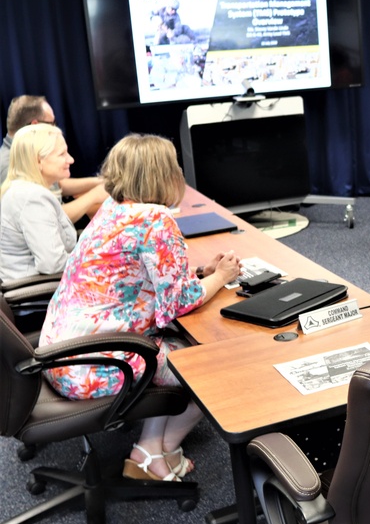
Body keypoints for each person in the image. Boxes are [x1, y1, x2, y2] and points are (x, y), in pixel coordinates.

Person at [38, 134, 241, 481]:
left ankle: (149, 449)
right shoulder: (155, 220)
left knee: (168, 344)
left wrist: (196, 275)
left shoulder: (112, 210)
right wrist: (221, 276)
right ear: (166, 174)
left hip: (58, 354)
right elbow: (177, 303)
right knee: (208, 363)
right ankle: (158, 451)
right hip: (94, 365)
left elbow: (134, 278)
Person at [1, 95, 107, 223]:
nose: (71, 160)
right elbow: (49, 218)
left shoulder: (27, 153)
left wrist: (99, 182)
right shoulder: (11, 164)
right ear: (35, 125)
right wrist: (94, 196)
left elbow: (57, 184)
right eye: (52, 123)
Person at [0, 125, 77, 281]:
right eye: (62, 154)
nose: (71, 159)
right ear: (38, 160)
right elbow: (52, 264)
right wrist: (95, 260)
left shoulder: (23, 190)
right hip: (41, 296)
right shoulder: (32, 198)